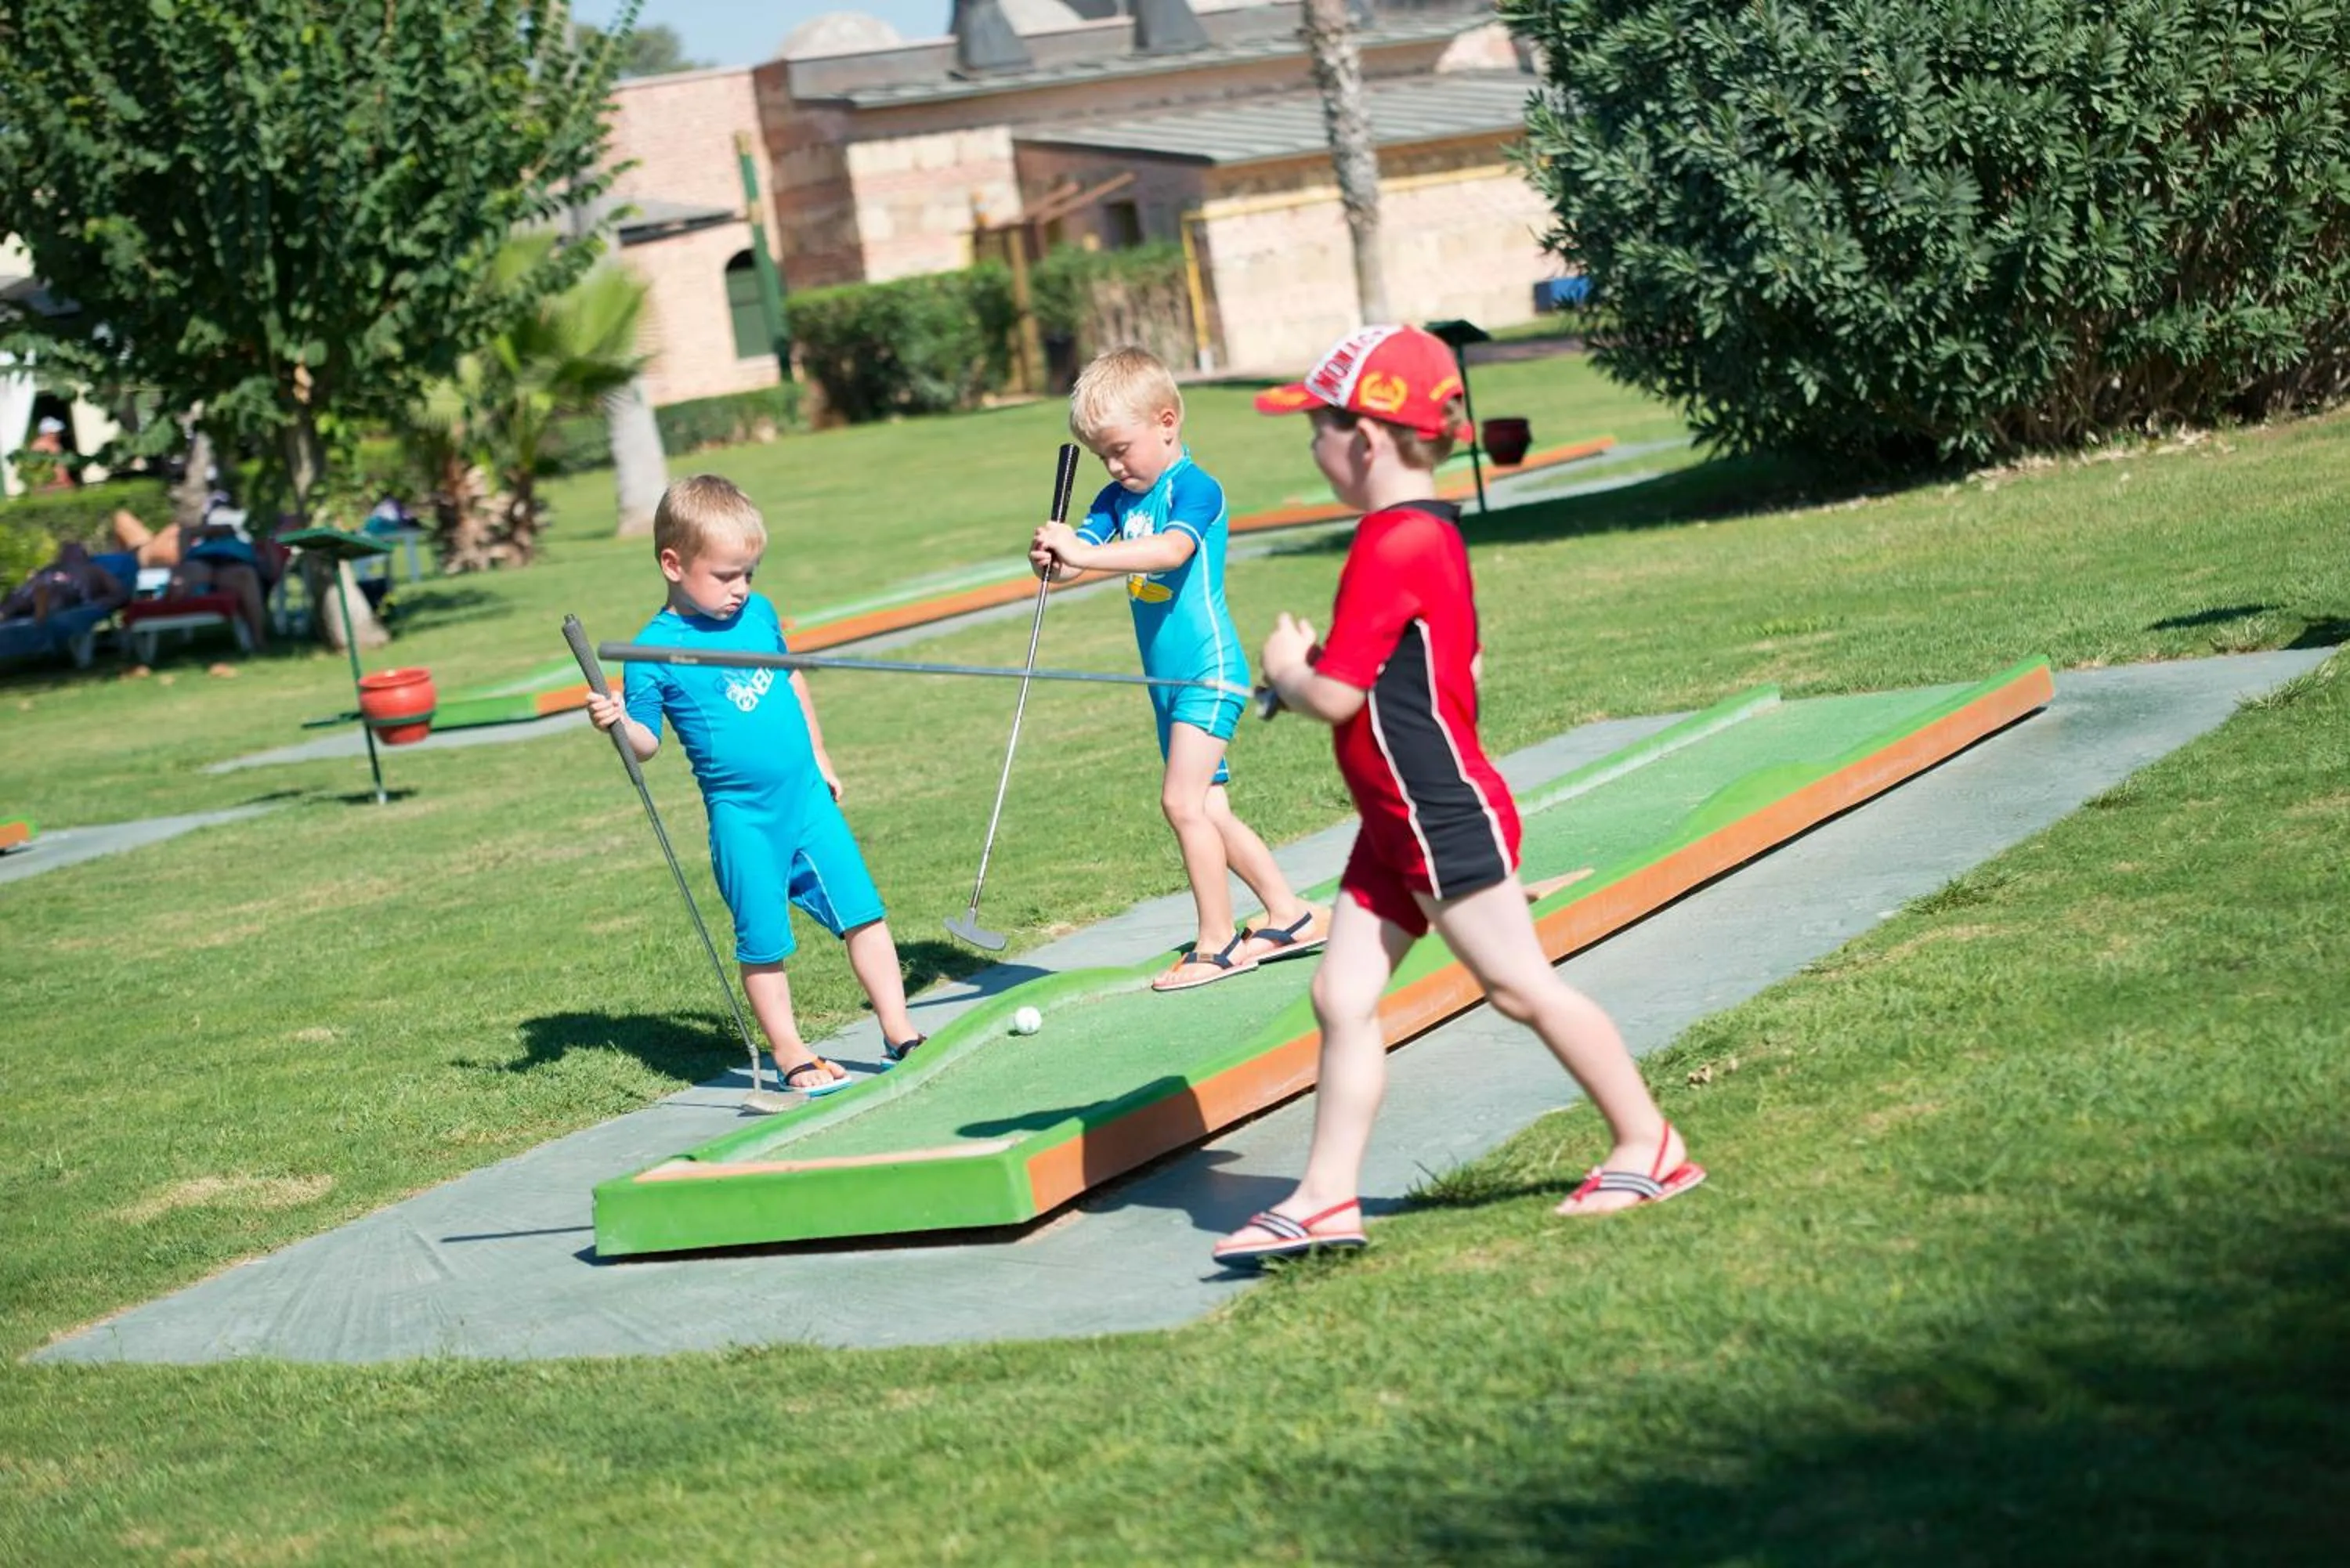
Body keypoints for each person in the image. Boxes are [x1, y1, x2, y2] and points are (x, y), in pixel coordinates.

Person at [1213, 324, 1704, 1266]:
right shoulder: (1426, 531)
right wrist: (1314, 673)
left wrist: (1287, 666)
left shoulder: (1392, 541)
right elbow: (1430, 667)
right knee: (1341, 994)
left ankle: (1650, 1144)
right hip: (1393, 822)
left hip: (1435, 814)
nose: (1312, 449)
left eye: (1317, 430)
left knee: (1520, 987)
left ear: (1365, 439)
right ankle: (1322, 1199)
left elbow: (1338, 695)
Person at [584, 474, 924, 1094]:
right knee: (764, 943)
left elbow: (791, 679)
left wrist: (820, 755)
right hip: (743, 818)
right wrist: (617, 722)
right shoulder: (651, 652)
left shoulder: (760, 614)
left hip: (807, 800)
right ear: (673, 564)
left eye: (749, 573)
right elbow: (647, 745)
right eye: (725, 575)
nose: (740, 588)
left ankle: (899, 1030)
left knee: (864, 912)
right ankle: (792, 1054)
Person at [1029, 347, 1325, 992]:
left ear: (1167, 422)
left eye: (1121, 449)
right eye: (1102, 456)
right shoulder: (1115, 498)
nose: (1114, 466)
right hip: (1163, 683)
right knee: (1209, 809)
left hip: (1209, 671)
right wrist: (1056, 559)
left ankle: (1216, 942)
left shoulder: (1195, 488)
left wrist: (1083, 554)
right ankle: (1291, 914)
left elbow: (1169, 551)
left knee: (1181, 802)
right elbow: (1081, 560)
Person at [0, 540, 128, 621]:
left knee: (22, 594)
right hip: (65, 587)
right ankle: (42, 606)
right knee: (56, 594)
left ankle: (7, 612)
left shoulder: (92, 570)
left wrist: (102, 603)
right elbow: (120, 593)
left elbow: (120, 594)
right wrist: (102, 602)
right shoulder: (94, 570)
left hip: (50, 584)